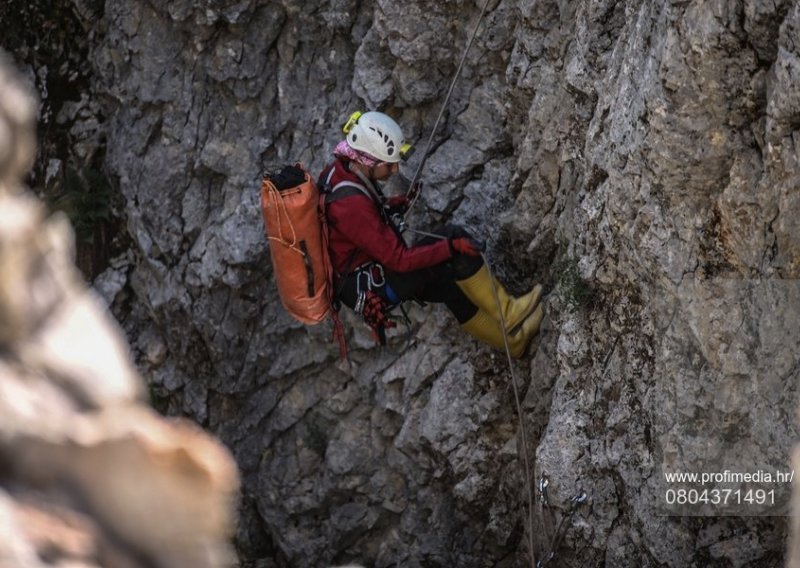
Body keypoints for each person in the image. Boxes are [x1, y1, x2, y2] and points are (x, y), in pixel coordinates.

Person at [318, 111, 544, 358]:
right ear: (368, 160)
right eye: (388, 164)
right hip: (380, 285)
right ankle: (509, 314)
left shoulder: (340, 170)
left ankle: (515, 344)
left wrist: (393, 205)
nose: (394, 170)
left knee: (448, 286)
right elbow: (399, 260)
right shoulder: (351, 205)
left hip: (365, 282)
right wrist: (451, 247)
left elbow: (357, 227)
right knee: (452, 239)